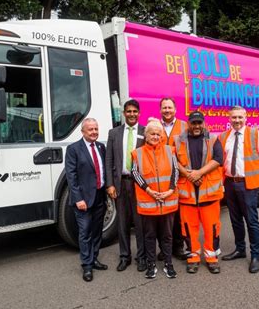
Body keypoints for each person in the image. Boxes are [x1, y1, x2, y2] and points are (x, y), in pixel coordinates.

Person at [219, 106, 259, 274]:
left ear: (246, 117)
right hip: (230, 183)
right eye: (234, 117)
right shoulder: (224, 137)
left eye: (240, 117)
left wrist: (252, 172)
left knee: (251, 221)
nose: (237, 120)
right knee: (235, 219)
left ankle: (255, 255)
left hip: (248, 185)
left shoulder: (256, 134)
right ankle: (240, 249)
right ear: (229, 118)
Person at [175, 111, 224, 274]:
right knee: (189, 229)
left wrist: (199, 173)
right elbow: (173, 162)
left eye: (199, 123)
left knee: (212, 228)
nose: (196, 126)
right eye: (193, 123)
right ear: (188, 123)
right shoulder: (178, 140)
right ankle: (193, 258)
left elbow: (218, 159)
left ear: (204, 123)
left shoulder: (214, 139)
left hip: (208, 194)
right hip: (187, 194)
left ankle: (211, 258)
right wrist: (190, 175)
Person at [131, 118, 179, 279]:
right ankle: (151, 265)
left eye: (158, 134)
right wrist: (149, 191)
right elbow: (135, 173)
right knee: (149, 235)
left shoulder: (169, 150)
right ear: (146, 135)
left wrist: (170, 191)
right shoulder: (137, 153)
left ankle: (168, 263)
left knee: (167, 235)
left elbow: (176, 172)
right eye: (152, 133)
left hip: (167, 200)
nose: (155, 136)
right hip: (148, 202)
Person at [65, 118, 108, 282]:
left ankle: (94, 258)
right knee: (85, 232)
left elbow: (103, 170)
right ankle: (87, 266)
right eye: (90, 129)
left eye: (96, 129)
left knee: (97, 231)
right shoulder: (73, 149)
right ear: (83, 131)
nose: (94, 132)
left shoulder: (101, 147)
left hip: (99, 196)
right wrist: (78, 199)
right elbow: (71, 177)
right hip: (83, 199)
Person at [105, 99, 147, 272]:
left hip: (139, 184)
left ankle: (142, 257)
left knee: (140, 223)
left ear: (139, 113)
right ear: (124, 113)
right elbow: (109, 160)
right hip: (120, 183)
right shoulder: (114, 133)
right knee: (122, 223)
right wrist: (110, 184)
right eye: (128, 111)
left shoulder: (146, 132)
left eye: (134, 111)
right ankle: (124, 257)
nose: (131, 114)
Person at [159, 97, 188, 260]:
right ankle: (164, 249)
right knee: (163, 216)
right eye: (164, 108)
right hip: (162, 177)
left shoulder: (185, 126)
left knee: (178, 215)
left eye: (169, 107)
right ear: (160, 110)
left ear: (175, 109)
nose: (167, 110)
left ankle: (178, 247)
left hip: (181, 177)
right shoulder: (155, 126)